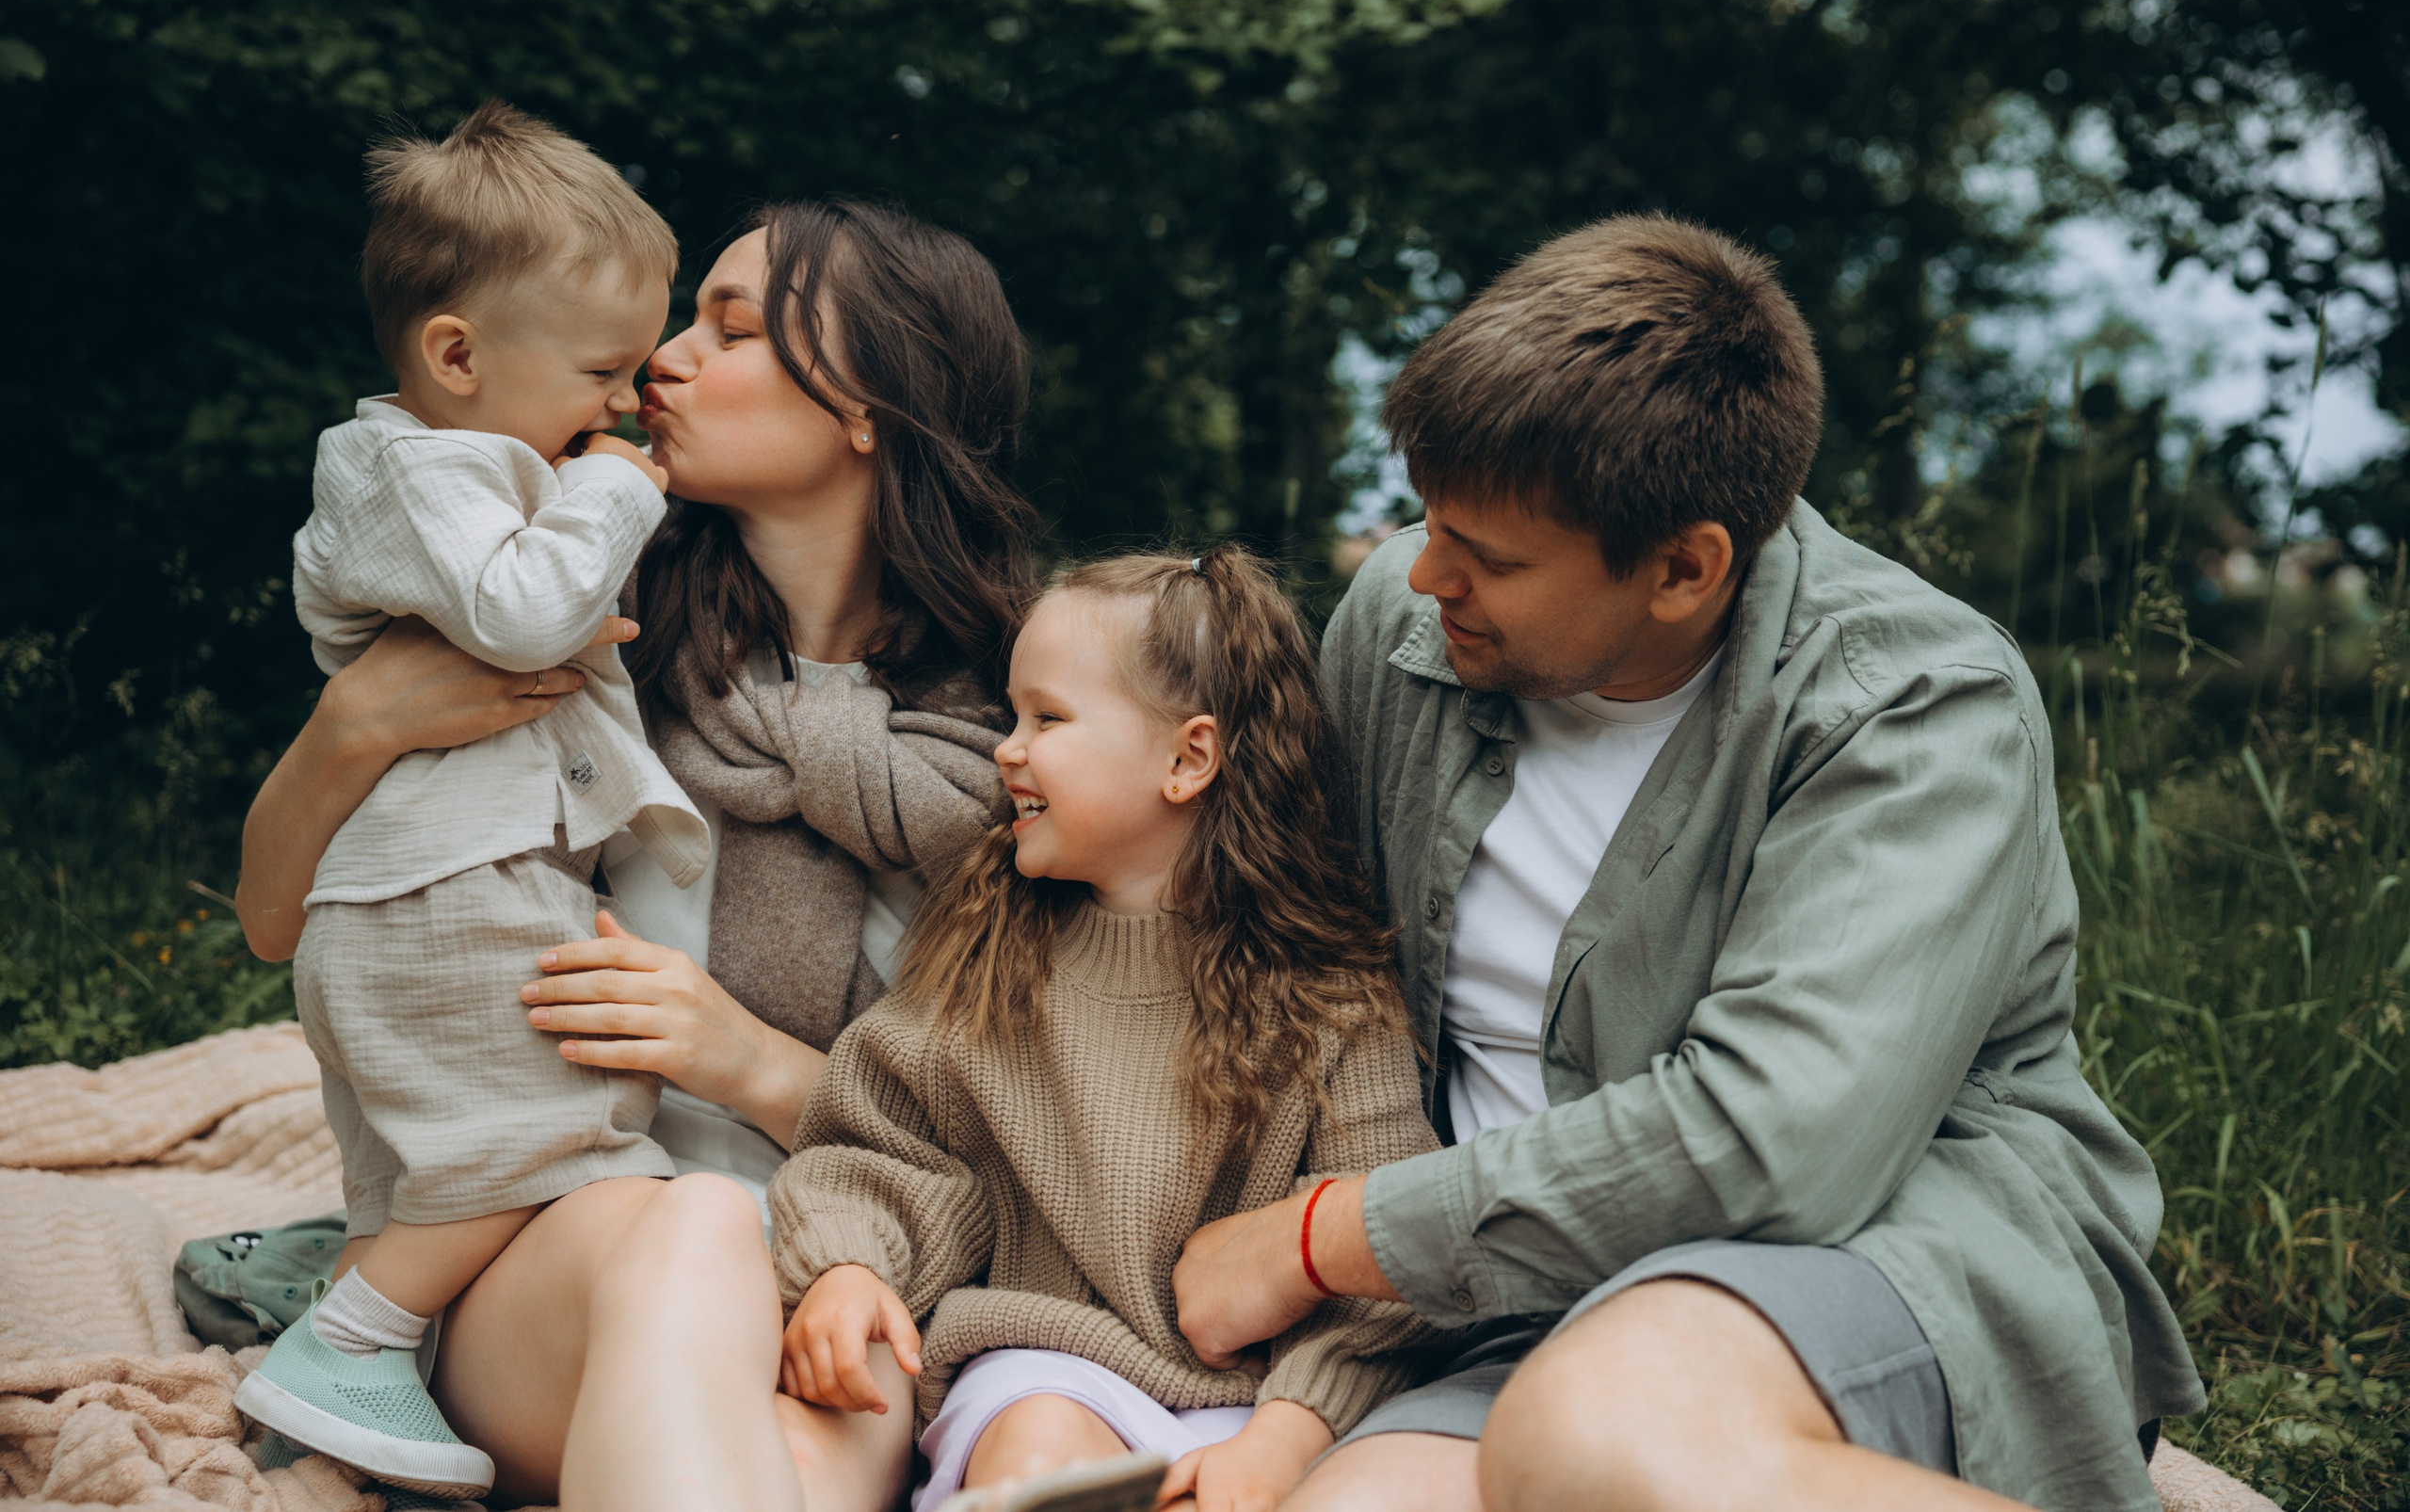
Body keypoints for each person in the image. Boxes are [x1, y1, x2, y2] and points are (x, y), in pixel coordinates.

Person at [1168, 216, 2205, 1512]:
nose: (1426, 573)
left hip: (1880, 1244)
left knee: (1597, 1434)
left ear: (1683, 567)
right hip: (1497, 1302)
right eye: (1426, 521)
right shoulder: (1399, 624)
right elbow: (1277, 941)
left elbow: (1777, 1143)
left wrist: (1330, 1234)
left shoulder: (1917, 702)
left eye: (1488, 557)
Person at [233, 195, 1038, 1512]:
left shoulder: (1017, 737)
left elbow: (1038, 1129)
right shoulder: (568, 619)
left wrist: (746, 1060)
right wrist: (353, 723)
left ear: (867, 406)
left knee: (814, 1429)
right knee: (699, 1226)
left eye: (730, 329)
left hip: (856, 1260)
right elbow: (275, 917)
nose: (663, 357)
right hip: (553, 1247)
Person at [770, 548, 1441, 1512]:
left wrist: (1283, 1437)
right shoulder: (988, 961)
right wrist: (848, 1264)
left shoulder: (1330, 1000)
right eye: (1012, 716)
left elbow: (1380, 1252)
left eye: (1047, 719)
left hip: (1253, 1411)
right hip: (1034, 1364)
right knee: (1043, 1446)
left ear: (1188, 759)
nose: (1007, 749)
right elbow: (887, 1148)